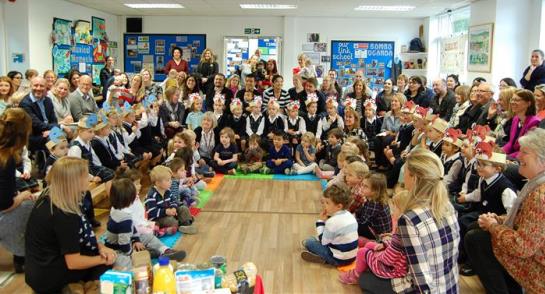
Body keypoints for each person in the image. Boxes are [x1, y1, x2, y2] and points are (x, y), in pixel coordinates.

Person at [360, 148, 460, 293]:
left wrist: (373, 254)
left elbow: (421, 277)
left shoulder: (410, 219)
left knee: (365, 278)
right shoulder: (447, 206)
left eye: (404, 171)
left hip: (426, 288)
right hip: (450, 286)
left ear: (414, 177)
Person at [465, 128, 545, 294]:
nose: (517, 157)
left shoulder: (539, 195)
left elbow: (523, 247)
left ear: (542, 161)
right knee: (475, 227)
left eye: (525, 153)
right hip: (532, 253)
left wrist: (494, 226)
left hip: (537, 266)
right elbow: (524, 223)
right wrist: (498, 220)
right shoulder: (535, 184)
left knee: (476, 238)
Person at [25, 157, 116, 293]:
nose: (90, 178)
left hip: (40, 267)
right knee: (105, 268)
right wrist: (102, 259)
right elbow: (73, 262)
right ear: (73, 181)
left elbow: (77, 239)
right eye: (85, 175)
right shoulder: (63, 213)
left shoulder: (51, 197)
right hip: (48, 275)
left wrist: (100, 247)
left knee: (101, 257)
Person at [105, 178, 186, 270]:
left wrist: (136, 240)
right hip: (117, 250)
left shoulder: (117, 209)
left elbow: (132, 227)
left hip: (127, 242)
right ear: (129, 197)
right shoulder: (124, 218)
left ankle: (165, 251)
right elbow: (123, 243)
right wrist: (132, 254)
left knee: (148, 236)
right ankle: (146, 253)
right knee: (126, 264)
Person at [339, 191, 409, 285]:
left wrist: (377, 252)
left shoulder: (401, 230)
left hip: (392, 269)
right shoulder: (403, 226)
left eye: (395, 207)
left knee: (362, 252)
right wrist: (384, 244)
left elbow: (389, 259)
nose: (392, 210)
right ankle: (365, 266)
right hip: (391, 258)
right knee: (368, 244)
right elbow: (395, 246)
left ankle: (356, 276)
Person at [0, 108, 33, 273]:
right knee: (31, 207)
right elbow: (5, 205)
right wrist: (23, 196)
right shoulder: (6, 158)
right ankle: (23, 256)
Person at [301, 184, 358, 266]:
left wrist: (320, 221)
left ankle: (326, 259)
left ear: (339, 206)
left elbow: (323, 242)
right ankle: (325, 258)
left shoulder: (332, 222)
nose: (324, 205)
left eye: (327, 203)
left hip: (338, 260)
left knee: (309, 242)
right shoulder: (351, 215)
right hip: (352, 258)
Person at [144, 165, 197, 233]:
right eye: (168, 180)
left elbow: (174, 201)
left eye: (170, 179)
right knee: (171, 221)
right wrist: (166, 211)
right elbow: (151, 212)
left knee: (183, 208)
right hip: (158, 218)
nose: (171, 182)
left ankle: (186, 224)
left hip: (170, 213)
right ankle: (181, 223)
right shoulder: (151, 195)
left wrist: (173, 208)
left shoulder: (167, 191)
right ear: (157, 183)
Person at [20, 77, 59, 152]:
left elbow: (54, 120)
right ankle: (50, 161)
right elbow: (36, 125)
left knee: (68, 133)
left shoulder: (48, 100)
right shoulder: (25, 103)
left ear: (46, 87)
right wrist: (55, 129)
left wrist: (53, 130)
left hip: (49, 132)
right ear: (31, 86)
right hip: (34, 136)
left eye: (41, 86)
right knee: (56, 141)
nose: (38, 88)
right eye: (35, 85)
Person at [502, 89, 540, 158]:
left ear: (528, 103)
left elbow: (526, 150)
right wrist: (500, 152)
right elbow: (511, 143)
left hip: (523, 158)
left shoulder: (534, 122)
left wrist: (505, 158)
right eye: (512, 99)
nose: (512, 102)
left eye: (517, 100)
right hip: (512, 156)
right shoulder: (516, 118)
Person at [354, 172, 392, 241]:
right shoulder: (373, 198)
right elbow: (362, 211)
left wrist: (353, 218)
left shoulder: (374, 204)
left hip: (379, 236)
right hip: (375, 227)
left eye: (365, 186)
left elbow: (362, 222)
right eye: (362, 185)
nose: (361, 188)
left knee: (351, 225)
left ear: (375, 191)